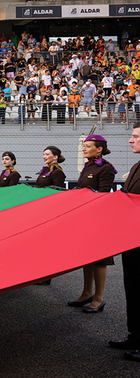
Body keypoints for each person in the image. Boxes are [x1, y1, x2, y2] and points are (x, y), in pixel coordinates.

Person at [68, 134, 116, 313]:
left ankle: (98, 298)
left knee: (100, 260)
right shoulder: (88, 166)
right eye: (84, 146)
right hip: (86, 217)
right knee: (87, 257)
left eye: (88, 146)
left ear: (99, 149)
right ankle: (87, 293)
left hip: (99, 219)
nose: (84, 148)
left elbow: (103, 195)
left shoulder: (106, 168)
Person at [112, 123, 140, 359]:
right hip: (132, 240)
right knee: (133, 289)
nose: (130, 140)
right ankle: (135, 336)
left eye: (135, 136)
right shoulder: (136, 166)